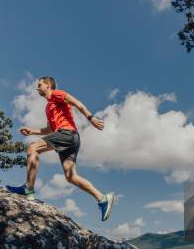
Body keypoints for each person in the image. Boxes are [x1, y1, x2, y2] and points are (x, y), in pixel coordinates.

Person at [6, 76, 116, 221]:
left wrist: (91, 118)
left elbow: (77, 103)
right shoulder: (48, 107)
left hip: (67, 133)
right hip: (70, 138)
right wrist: (31, 131)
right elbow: (50, 129)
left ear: (48, 85)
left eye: (39, 84)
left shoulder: (57, 94)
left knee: (33, 148)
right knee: (71, 177)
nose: (37, 87)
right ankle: (102, 199)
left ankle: (28, 188)